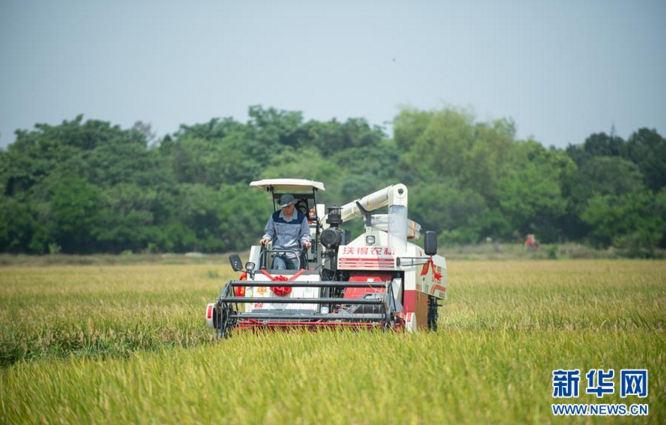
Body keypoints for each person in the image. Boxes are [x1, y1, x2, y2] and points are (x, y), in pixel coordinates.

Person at [260, 193, 312, 270]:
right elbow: (269, 232)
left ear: (293, 204)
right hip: (278, 253)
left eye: (288, 206)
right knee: (279, 273)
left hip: (294, 254)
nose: (286, 209)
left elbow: (305, 234)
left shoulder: (301, 218)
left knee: (295, 276)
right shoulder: (274, 216)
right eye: (284, 207)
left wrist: (306, 242)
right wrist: (266, 238)